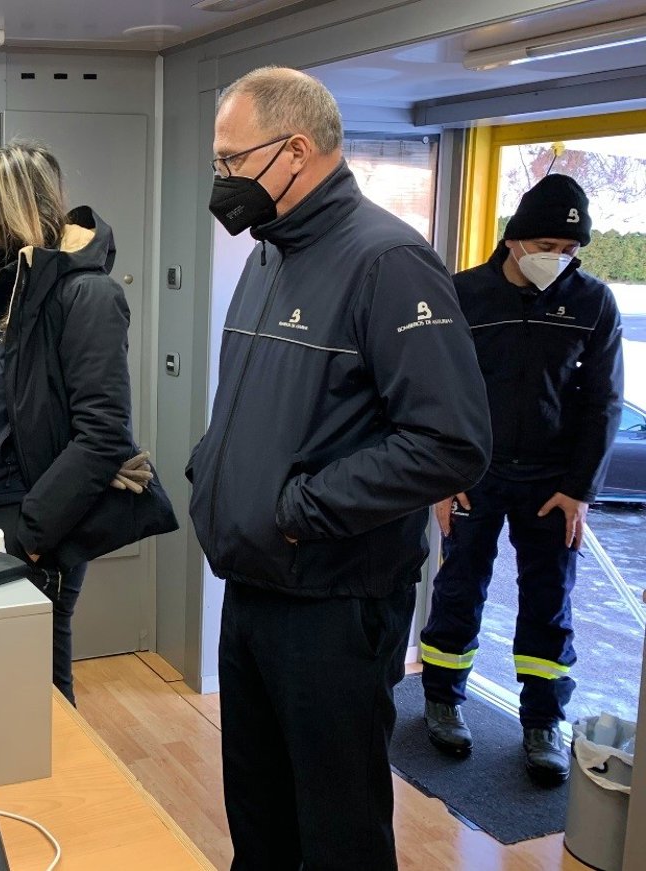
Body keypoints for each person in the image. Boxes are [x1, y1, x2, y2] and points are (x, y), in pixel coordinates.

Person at [187, 67, 491, 871]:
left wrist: (298, 509)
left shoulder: (388, 261)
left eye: (232, 160)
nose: (222, 179)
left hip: (332, 603)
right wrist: (213, 469)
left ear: (296, 150)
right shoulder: (269, 254)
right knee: (259, 820)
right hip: (253, 585)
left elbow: (452, 441)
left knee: (337, 835)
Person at [0, 142, 173, 705]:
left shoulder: (86, 294)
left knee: (38, 698)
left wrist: (35, 537)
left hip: (26, 529)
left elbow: (104, 435)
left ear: (25, 209)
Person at [420, 174, 624, 785]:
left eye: (569, 250)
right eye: (545, 246)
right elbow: (437, 389)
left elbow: (603, 401)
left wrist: (581, 490)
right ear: (513, 240)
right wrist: (443, 474)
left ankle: (542, 723)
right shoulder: (463, 294)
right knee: (459, 587)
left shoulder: (593, 302)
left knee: (549, 602)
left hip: (552, 485)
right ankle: (442, 700)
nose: (556, 258)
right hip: (473, 476)